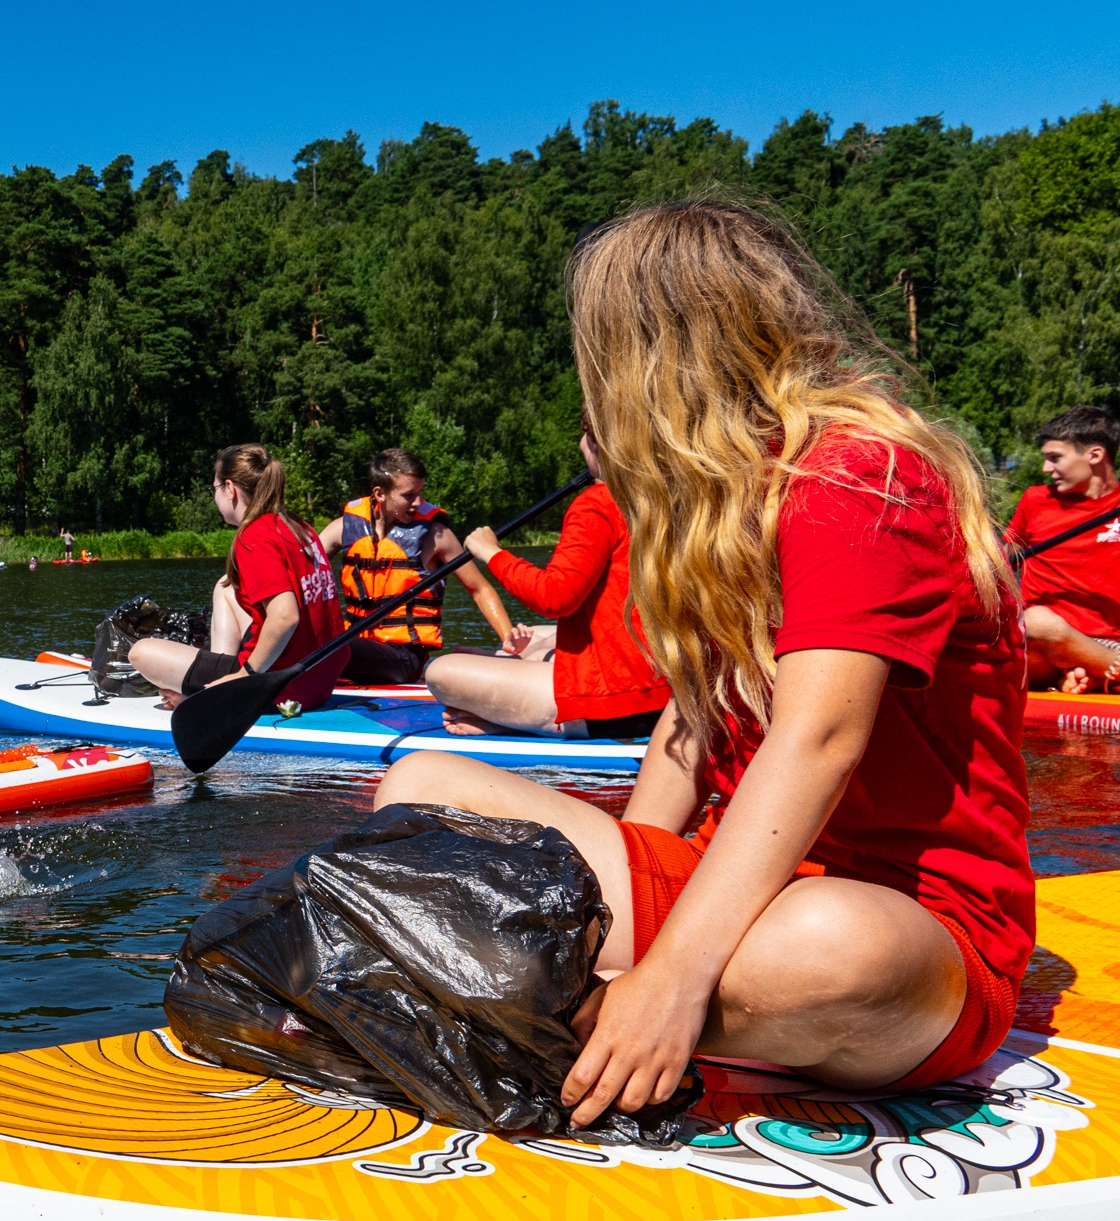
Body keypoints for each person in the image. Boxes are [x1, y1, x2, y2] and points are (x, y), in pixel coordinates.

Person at [371, 199, 1030, 1124]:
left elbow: (821, 739)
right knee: (420, 786)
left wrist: (673, 976)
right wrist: (621, 910)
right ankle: (572, 1002)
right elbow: (687, 729)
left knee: (839, 948)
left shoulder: (861, 476)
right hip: (741, 887)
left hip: (914, 928)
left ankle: (542, 1016)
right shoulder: (712, 514)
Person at [427, 426, 670, 738]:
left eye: (583, 433)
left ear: (598, 441)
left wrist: (492, 553)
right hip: (662, 689)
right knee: (539, 639)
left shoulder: (598, 503)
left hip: (615, 706)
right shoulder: (663, 496)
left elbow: (554, 597)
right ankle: (505, 667)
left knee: (441, 670)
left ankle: (508, 723)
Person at [124, 444, 341, 715]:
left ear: (230, 489)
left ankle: (222, 693)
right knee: (226, 587)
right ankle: (219, 688)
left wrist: (245, 675)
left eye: (214, 489)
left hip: (281, 687)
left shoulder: (255, 537)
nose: (216, 496)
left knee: (141, 652)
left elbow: (285, 617)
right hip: (319, 679)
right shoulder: (297, 526)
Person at [319, 448, 517, 685]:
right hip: (355, 644)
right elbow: (302, 573)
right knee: (312, 640)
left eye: (420, 492)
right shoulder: (343, 528)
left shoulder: (436, 535)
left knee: (329, 648)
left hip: (403, 658)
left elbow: (479, 589)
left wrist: (508, 639)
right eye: (409, 495)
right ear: (380, 493)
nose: (418, 502)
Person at [1002, 405, 1120, 691]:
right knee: (1038, 620)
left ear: (1095, 455)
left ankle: (1085, 676)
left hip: (1108, 644)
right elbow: (1002, 563)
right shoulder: (1035, 500)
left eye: (1055, 458)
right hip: (1041, 645)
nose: (1046, 469)